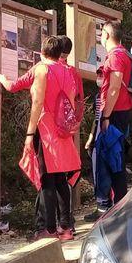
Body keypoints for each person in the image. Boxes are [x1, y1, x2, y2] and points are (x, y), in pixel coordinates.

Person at [22, 37, 83, 241]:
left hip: (46, 128)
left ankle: (48, 230)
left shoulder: (42, 70)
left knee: (46, 179)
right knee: (60, 181)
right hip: (63, 130)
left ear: (42, 51)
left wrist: (30, 133)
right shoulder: (68, 70)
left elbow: (38, 102)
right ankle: (66, 227)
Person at [84, 21, 132, 221]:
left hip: (113, 113)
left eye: (101, 34)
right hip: (120, 111)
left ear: (106, 34)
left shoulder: (115, 56)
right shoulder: (124, 54)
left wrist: (105, 116)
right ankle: (117, 206)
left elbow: (113, 88)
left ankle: (106, 207)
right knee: (114, 158)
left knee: (105, 159)